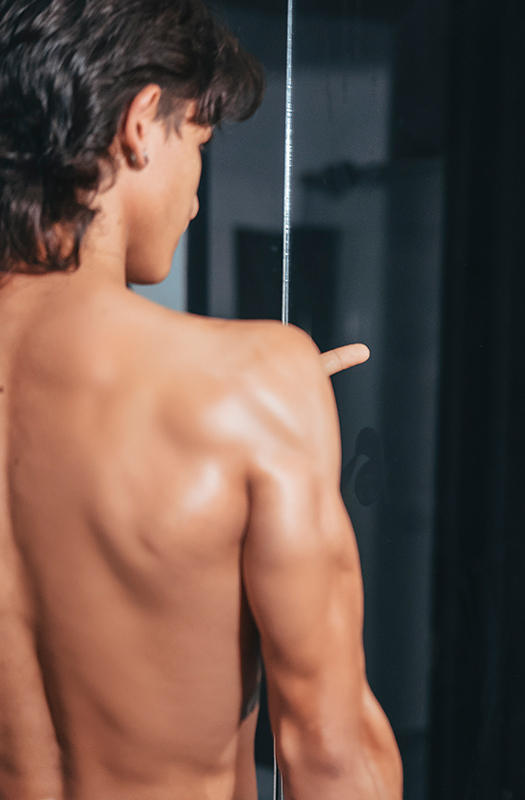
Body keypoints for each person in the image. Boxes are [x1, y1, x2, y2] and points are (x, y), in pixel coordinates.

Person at [0, 1, 402, 798]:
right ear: (141, 124)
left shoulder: (249, 386)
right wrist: (267, 408)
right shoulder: (260, 385)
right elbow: (332, 761)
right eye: (202, 142)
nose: (194, 193)